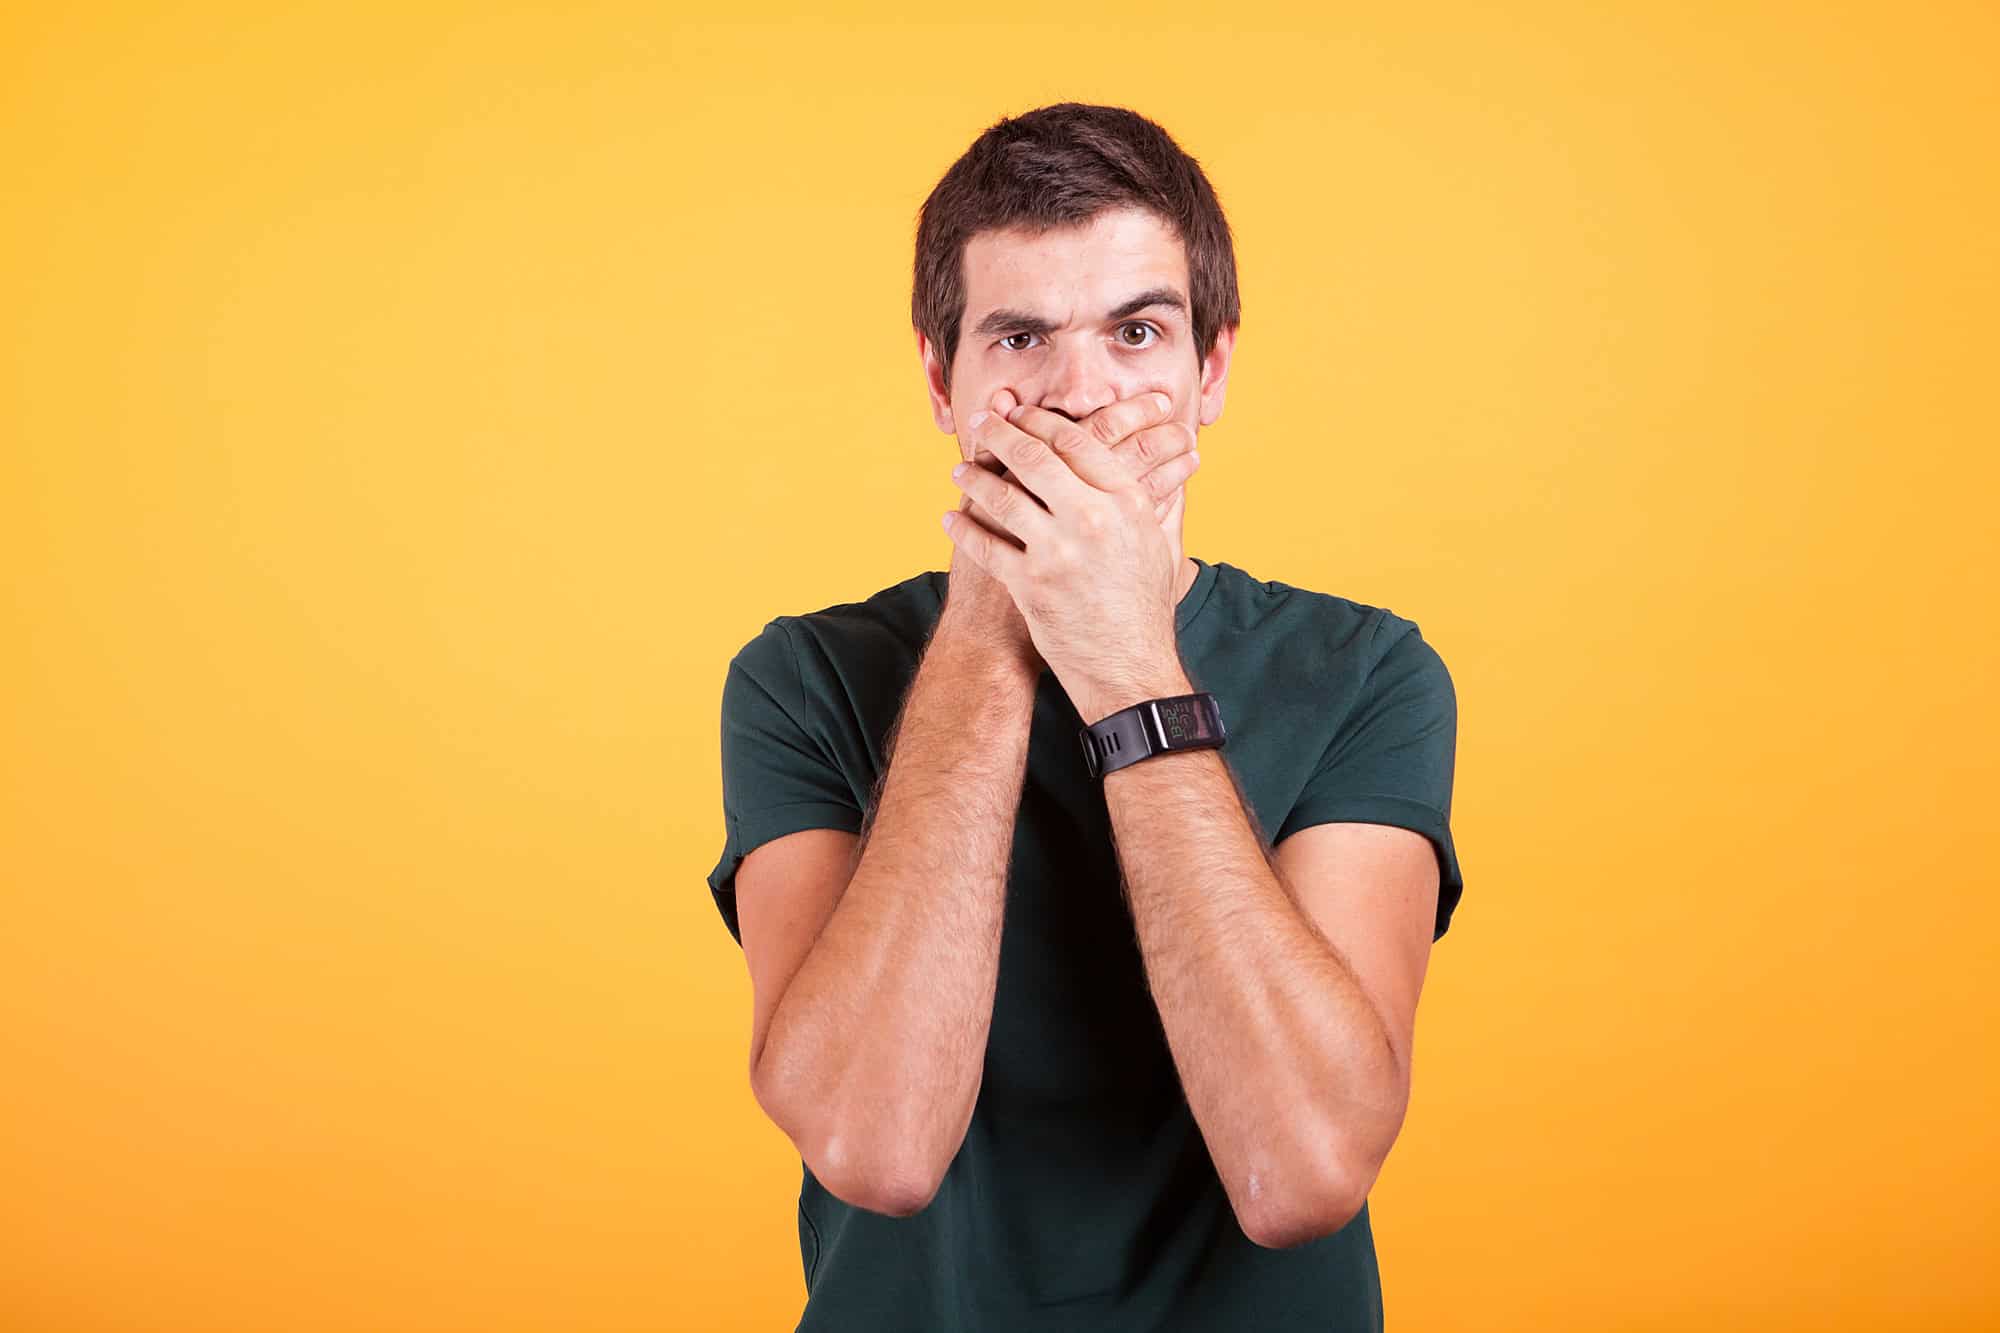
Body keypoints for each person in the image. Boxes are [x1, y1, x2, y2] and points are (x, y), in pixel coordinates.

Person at [705, 102, 1464, 1332]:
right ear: (941, 381)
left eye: (1135, 331)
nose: (1076, 393)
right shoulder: (803, 679)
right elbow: (872, 1144)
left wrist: (1117, 656)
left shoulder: (1365, 671)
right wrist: (997, 623)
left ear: (1208, 370)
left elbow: (1303, 1174)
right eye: (1017, 338)